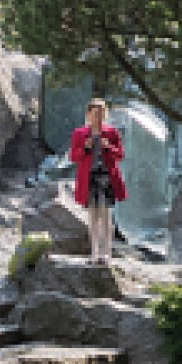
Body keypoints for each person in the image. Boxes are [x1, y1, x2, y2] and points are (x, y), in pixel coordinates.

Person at [69, 98, 127, 265]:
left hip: (107, 176)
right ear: (88, 115)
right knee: (92, 214)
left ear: (105, 114)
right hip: (89, 177)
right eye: (95, 114)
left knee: (106, 214)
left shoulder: (112, 132)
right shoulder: (79, 133)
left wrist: (108, 146)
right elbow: (74, 157)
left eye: (101, 114)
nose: (98, 117)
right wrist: (86, 148)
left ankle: (106, 253)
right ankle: (94, 252)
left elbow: (120, 155)